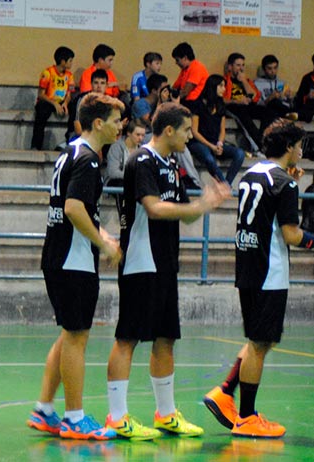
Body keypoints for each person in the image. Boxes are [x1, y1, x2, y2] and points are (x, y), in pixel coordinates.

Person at [105, 102, 231, 440]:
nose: (192, 136)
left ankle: (166, 414)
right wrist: (197, 205)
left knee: (166, 338)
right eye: (188, 130)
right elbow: (154, 207)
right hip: (141, 261)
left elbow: (183, 214)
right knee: (128, 338)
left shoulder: (172, 163)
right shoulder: (141, 160)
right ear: (171, 130)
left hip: (165, 263)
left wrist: (206, 205)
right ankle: (117, 417)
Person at [204, 120, 314, 438]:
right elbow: (291, 234)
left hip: (247, 265)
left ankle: (225, 392)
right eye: (299, 145)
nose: (301, 151)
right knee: (261, 343)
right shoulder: (286, 184)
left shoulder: (254, 173)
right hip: (269, 270)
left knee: (259, 340)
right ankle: (247, 417)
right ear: (290, 148)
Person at [27, 93, 124, 440]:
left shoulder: (71, 152)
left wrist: (104, 235)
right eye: (116, 120)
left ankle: (45, 410)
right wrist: (105, 244)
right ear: (98, 123)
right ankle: (74, 417)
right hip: (73, 259)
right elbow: (73, 208)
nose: (120, 126)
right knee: (77, 338)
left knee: (69, 334)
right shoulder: (88, 160)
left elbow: (81, 210)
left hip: (61, 254)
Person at [187, 75, 246, 186]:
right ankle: (225, 186)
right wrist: (211, 146)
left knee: (240, 153)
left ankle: (227, 183)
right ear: (213, 87)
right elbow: (194, 131)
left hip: (215, 142)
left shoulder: (220, 104)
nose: (224, 89)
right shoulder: (198, 104)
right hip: (199, 142)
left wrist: (219, 143)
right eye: (221, 86)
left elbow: (222, 130)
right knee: (209, 159)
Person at [31, 46, 75, 151]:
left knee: (75, 109)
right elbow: (41, 94)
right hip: (48, 102)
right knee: (41, 111)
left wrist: (65, 103)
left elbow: (69, 94)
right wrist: (54, 104)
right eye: (70, 61)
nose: (71, 63)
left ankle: (69, 140)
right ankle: (36, 145)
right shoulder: (47, 73)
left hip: (62, 102)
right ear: (63, 61)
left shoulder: (69, 76)